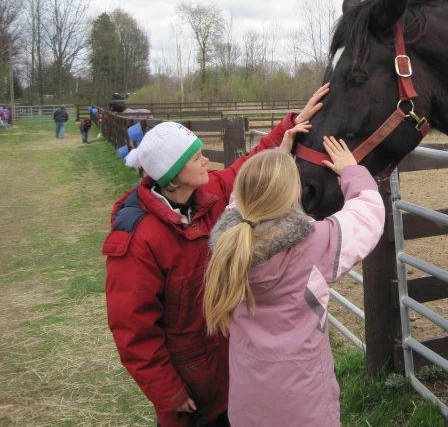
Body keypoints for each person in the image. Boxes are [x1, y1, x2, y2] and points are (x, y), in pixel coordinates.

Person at [102, 84, 330, 427]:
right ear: (174, 175)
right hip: (191, 394)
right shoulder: (138, 240)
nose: (206, 159)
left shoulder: (207, 195)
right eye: (196, 158)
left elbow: (245, 169)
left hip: (233, 371)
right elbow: (133, 330)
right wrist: (170, 394)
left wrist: (292, 123)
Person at [203, 138, 385, 427]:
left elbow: (240, 201)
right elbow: (368, 215)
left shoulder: (228, 243)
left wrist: (276, 156)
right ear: (292, 198)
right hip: (306, 409)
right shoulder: (315, 243)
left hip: (246, 406)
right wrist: (352, 170)